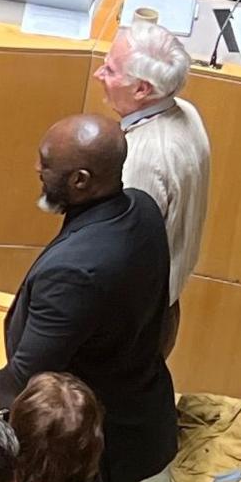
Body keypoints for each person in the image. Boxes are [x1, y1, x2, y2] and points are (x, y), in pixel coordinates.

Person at [0, 114, 178, 482]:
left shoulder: (75, 271)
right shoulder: (142, 209)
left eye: (47, 162)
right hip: (143, 407)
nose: (37, 168)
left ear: (80, 181)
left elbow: (24, 378)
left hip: (93, 449)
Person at [93, 17, 207, 300]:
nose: (98, 74)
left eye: (110, 70)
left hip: (135, 313)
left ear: (142, 89)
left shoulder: (141, 159)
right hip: (166, 293)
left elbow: (124, 254)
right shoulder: (186, 111)